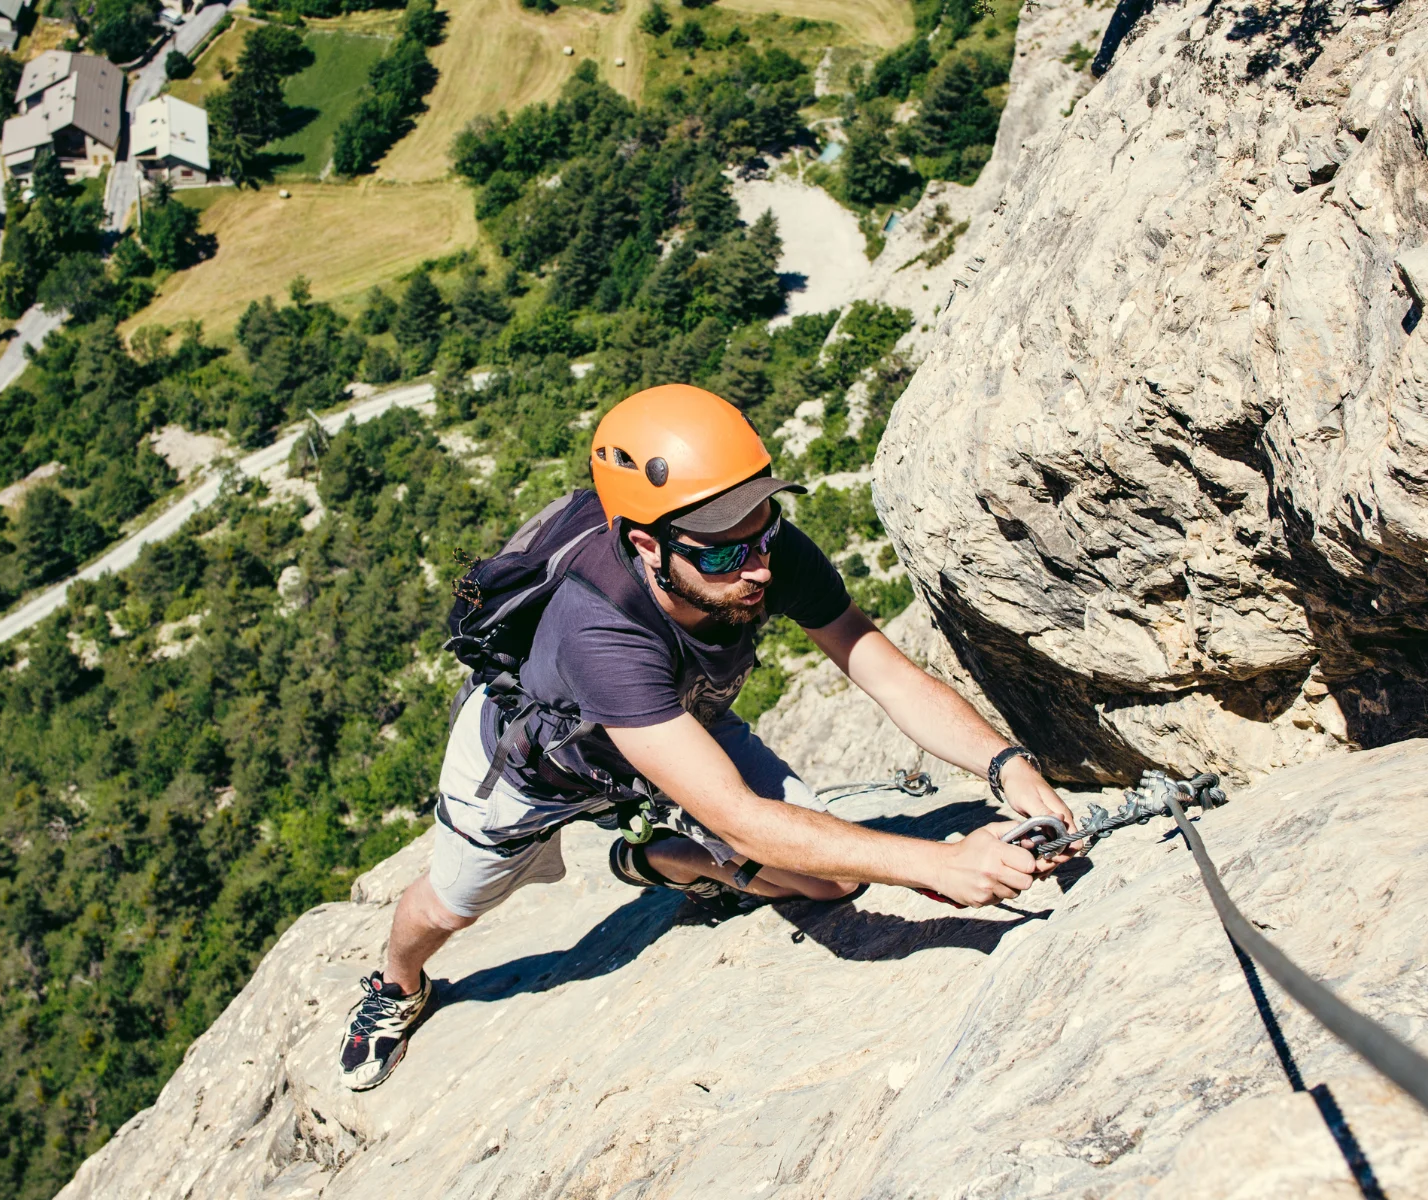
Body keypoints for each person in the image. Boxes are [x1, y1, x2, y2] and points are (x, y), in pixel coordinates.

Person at [339, 384, 1075, 1091]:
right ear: (645, 545)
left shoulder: (756, 546)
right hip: (538, 766)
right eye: (723, 554)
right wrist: (938, 863)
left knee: (836, 879)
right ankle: (395, 988)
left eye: (764, 532)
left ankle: (660, 859)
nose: (756, 567)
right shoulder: (599, 634)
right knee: (446, 908)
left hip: (679, 721)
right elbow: (741, 818)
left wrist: (1005, 764)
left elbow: (885, 674)